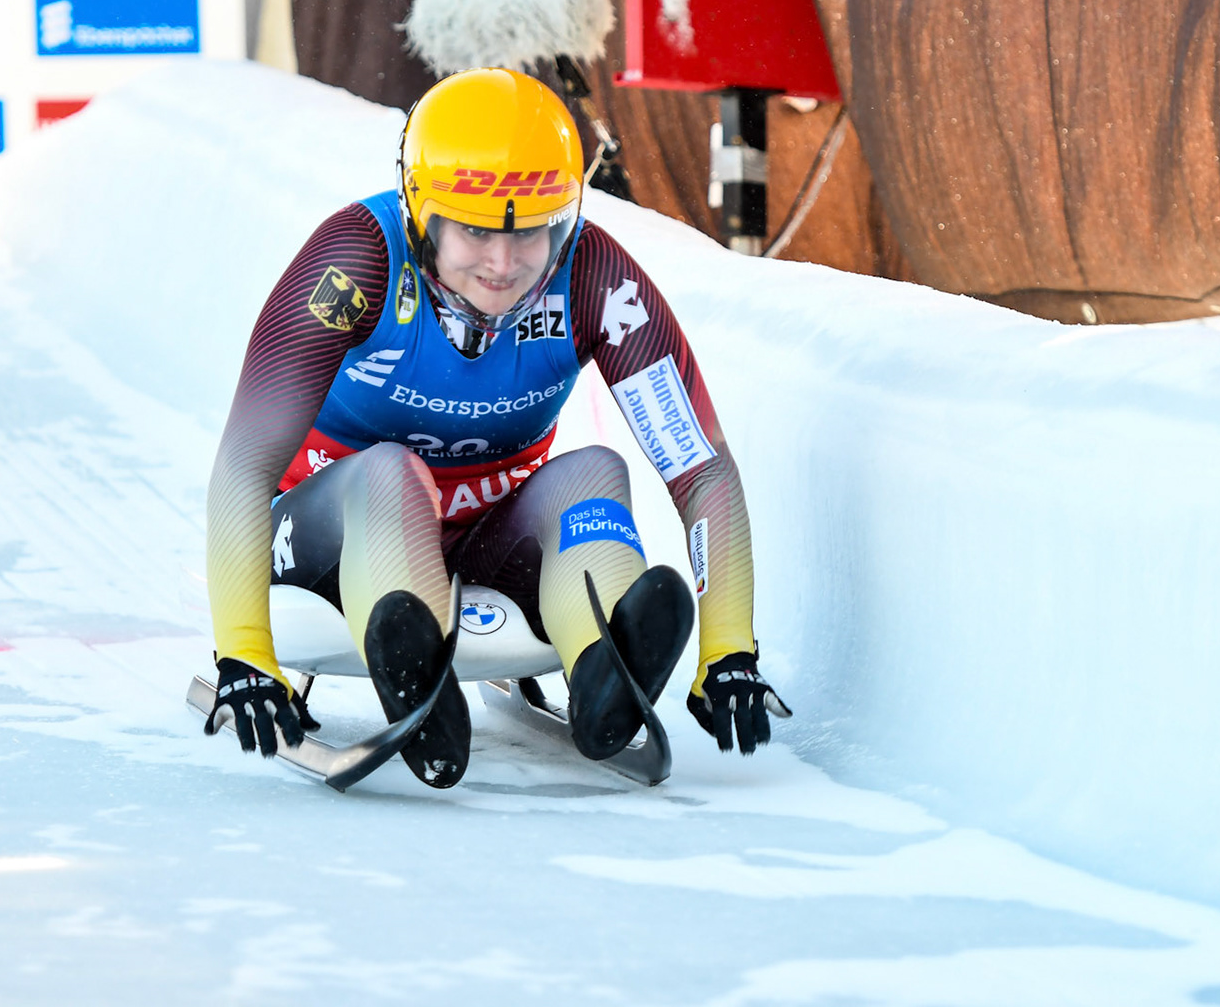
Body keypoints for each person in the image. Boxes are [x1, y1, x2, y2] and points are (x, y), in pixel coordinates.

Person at [204, 67, 789, 787]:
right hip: (333, 535)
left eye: (533, 235)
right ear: (422, 214)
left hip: (486, 535)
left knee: (595, 471)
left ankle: (604, 666)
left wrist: (728, 649)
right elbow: (245, 462)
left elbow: (700, 468)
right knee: (392, 470)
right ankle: (418, 676)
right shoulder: (356, 261)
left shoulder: (594, 276)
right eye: (475, 233)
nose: (504, 264)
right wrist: (244, 652)